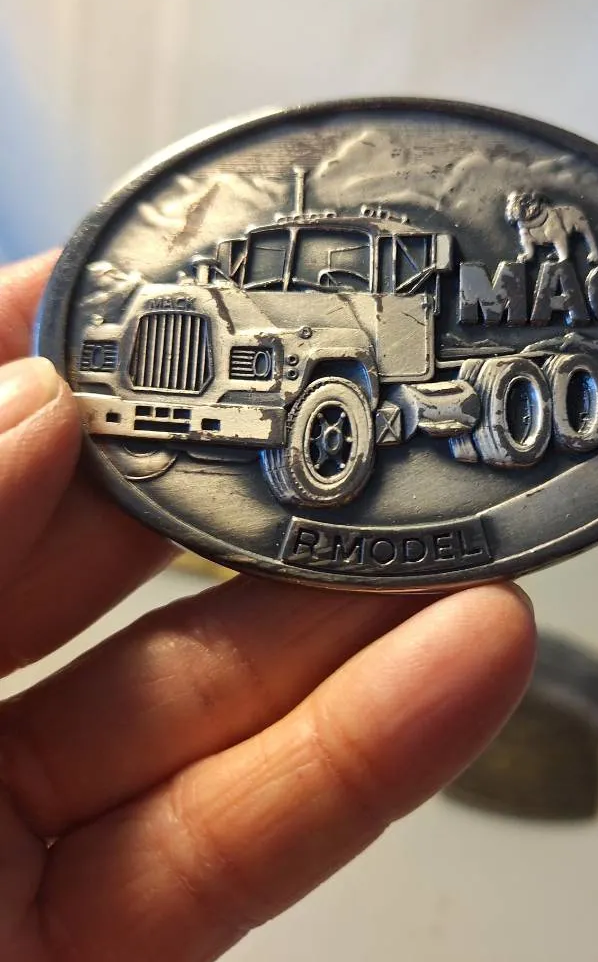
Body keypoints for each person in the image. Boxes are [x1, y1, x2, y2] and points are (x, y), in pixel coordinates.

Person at [0, 252, 536, 962]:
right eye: (267, 267)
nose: (288, 282)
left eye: (331, 271)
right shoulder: (213, 311)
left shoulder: (344, 330)